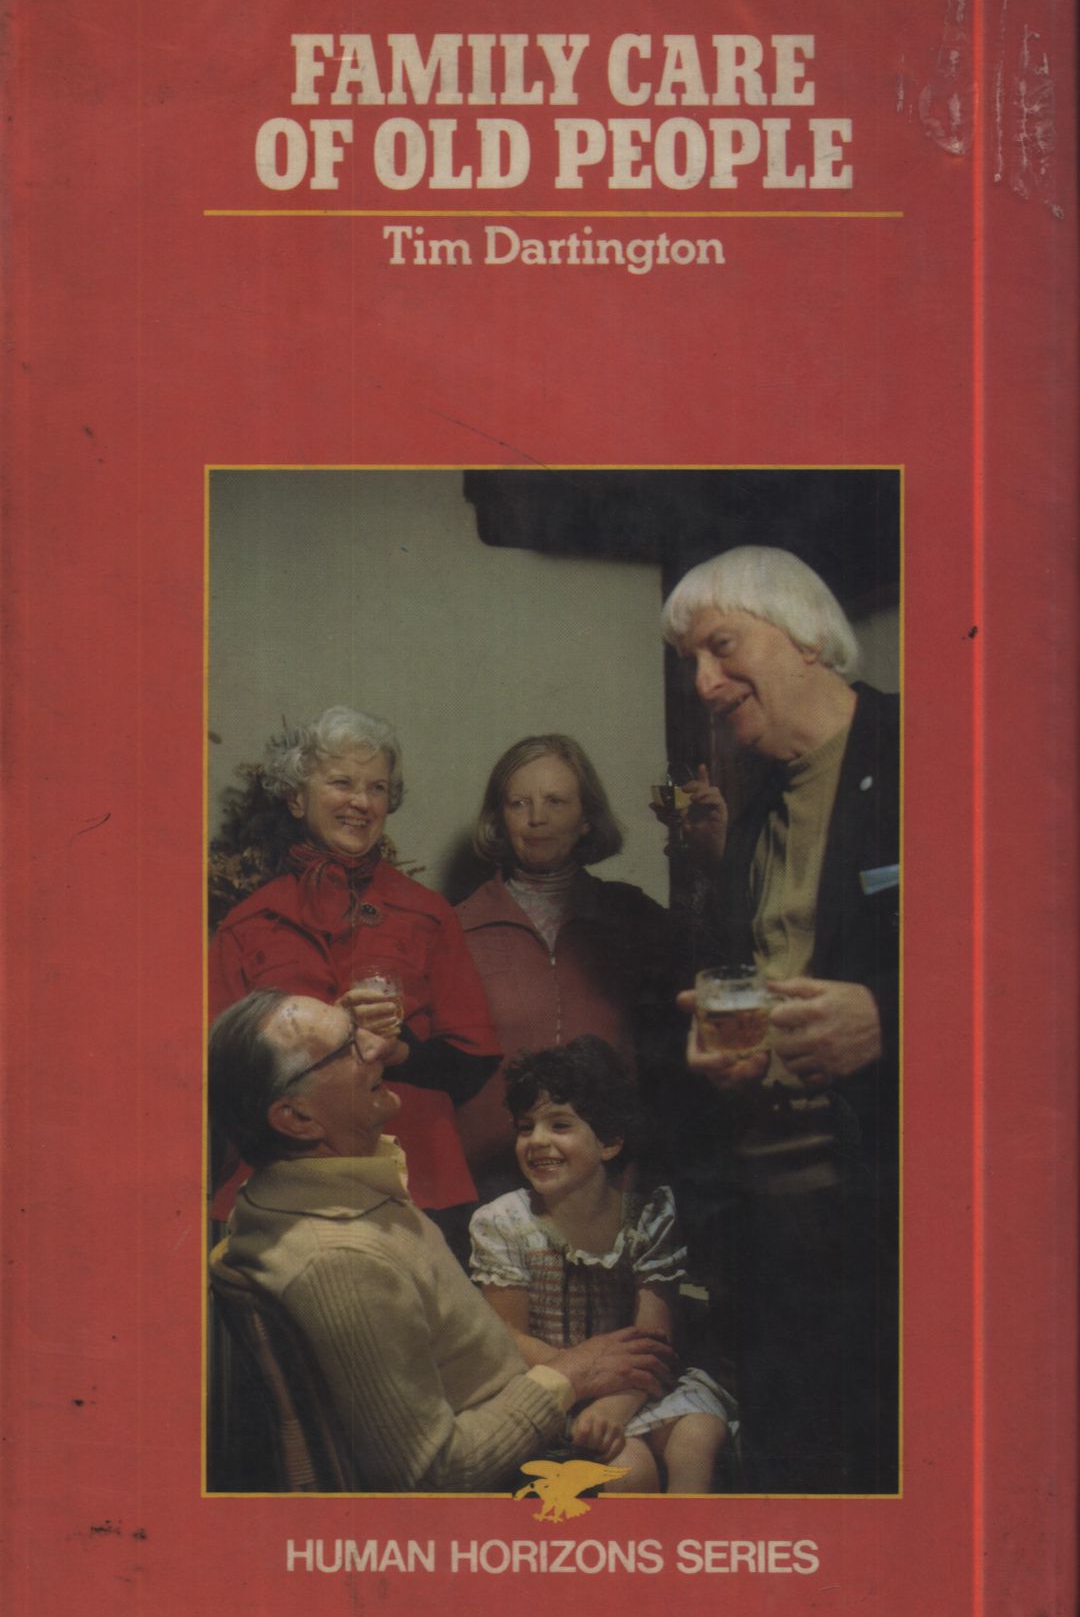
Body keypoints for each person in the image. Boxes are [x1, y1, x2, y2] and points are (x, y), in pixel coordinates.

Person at [209, 990, 678, 1493]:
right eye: (347, 1047)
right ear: (298, 1119)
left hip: (517, 1414)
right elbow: (430, 1473)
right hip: (498, 1473)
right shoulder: (339, 1259)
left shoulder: (323, 1186)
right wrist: (569, 1376)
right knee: (638, 1472)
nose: (379, 1046)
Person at [661, 545, 900, 1494]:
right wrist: (724, 1055)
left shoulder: (933, 751)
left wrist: (891, 1016)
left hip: (890, 1216)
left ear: (805, 636)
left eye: (721, 647)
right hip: (770, 1224)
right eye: (691, 662)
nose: (704, 683)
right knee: (797, 1481)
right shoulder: (758, 806)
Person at [208, 705, 500, 1246]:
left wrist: (401, 1050)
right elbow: (220, 1077)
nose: (361, 802)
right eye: (341, 782)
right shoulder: (246, 925)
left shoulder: (429, 915)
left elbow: (474, 1063)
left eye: (377, 787)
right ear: (297, 798)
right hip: (280, 1188)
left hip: (416, 1184)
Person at [470, 1036, 735, 1494]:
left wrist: (616, 1403)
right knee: (629, 1469)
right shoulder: (503, 1222)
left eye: (559, 1125)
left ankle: (689, 1540)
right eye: (526, 1127)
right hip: (552, 1385)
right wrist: (583, 1380)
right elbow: (507, 1337)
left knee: (697, 1437)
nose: (538, 1141)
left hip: (638, 1385)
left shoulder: (647, 1218)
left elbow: (655, 1340)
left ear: (610, 1142)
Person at [456, 734, 685, 1197]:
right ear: (500, 819)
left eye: (556, 802)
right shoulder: (456, 928)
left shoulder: (632, 916)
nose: (537, 818)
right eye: (519, 803)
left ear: (586, 819)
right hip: (493, 1182)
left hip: (609, 1182)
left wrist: (710, 855)